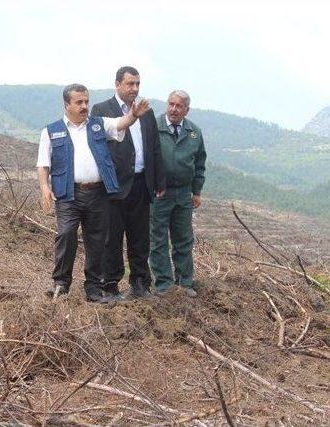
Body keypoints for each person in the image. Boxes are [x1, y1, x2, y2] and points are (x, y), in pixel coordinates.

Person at [37, 83, 150, 303]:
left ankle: (94, 288)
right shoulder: (51, 131)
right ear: (66, 104)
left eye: (86, 101)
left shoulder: (98, 125)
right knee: (66, 234)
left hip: (98, 193)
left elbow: (121, 123)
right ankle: (61, 284)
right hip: (68, 193)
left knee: (97, 240)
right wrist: (44, 188)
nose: (84, 106)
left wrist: (133, 116)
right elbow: (43, 164)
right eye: (79, 102)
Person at [91, 66, 165, 299]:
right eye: (130, 84)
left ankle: (140, 284)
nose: (134, 88)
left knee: (140, 237)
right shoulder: (102, 109)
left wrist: (159, 179)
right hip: (113, 186)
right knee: (111, 238)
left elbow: (154, 146)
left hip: (142, 183)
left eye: (138, 84)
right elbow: (97, 147)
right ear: (117, 84)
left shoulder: (146, 111)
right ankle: (109, 285)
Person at [149, 90, 206, 298]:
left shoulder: (194, 132)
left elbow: (199, 163)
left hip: (183, 194)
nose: (173, 109)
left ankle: (185, 282)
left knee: (183, 239)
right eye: (171, 104)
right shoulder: (154, 126)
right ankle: (164, 284)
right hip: (159, 194)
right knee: (158, 239)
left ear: (186, 110)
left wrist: (196, 191)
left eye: (178, 106)